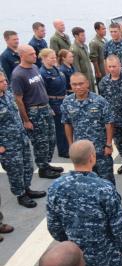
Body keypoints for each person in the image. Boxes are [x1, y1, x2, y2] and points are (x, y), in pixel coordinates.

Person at [46, 140, 122, 266]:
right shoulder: (104, 189)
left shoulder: (56, 188)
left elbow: (54, 226)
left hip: (74, 255)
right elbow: (118, 226)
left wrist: (70, 243)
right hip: (106, 253)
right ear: (92, 157)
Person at [11, 44, 61, 179]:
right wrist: (26, 120)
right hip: (34, 111)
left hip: (45, 108)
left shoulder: (34, 68)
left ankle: (46, 163)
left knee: (51, 139)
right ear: (22, 56)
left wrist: (48, 106)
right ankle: (43, 169)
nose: (35, 56)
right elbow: (18, 100)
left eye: (34, 53)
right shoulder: (18, 74)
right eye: (31, 54)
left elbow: (41, 89)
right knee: (41, 142)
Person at [0, 71, 46, 208]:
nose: (5, 83)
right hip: (7, 144)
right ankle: (20, 194)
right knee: (15, 170)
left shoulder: (7, 95)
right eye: (2, 82)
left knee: (27, 165)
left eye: (5, 80)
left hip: (20, 137)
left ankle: (27, 189)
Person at [61, 73, 115, 184]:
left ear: (87, 83)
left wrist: (109, 144)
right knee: (86, 182)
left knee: (106, 180)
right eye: (74, 84)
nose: (78, 87)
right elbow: (67, 124)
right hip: (81, 151)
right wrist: (71, 145)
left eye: (81, 84)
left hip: (100, 149)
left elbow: (109, 123)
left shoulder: (99, 101)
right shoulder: (67, 102)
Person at [98, 55, 122, 175]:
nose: (112, 69)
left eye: (114, 66)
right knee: (119, 142)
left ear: (120, 65)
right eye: (109, 66)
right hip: (112, 119)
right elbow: (102, 101)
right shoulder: (103, 82)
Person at [39, 48, 69, 158]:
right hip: (54, 102)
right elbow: (43, 92)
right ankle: (63, 150)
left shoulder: (55, 68)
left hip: (62, 99)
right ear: (44, 59)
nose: (54, 59)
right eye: (51, 58)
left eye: (55, 57)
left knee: (66, 124)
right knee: (60, 128)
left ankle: (68, 146)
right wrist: (49, 107)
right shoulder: (42, 73)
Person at [70, 27, 96, 92]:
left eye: (84, 35)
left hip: (90, 76)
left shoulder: (85, 46)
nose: (84, 37)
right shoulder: (74, 50)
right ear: (76, 36)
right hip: (83, 79)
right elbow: (76, 68)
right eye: (82, 35)